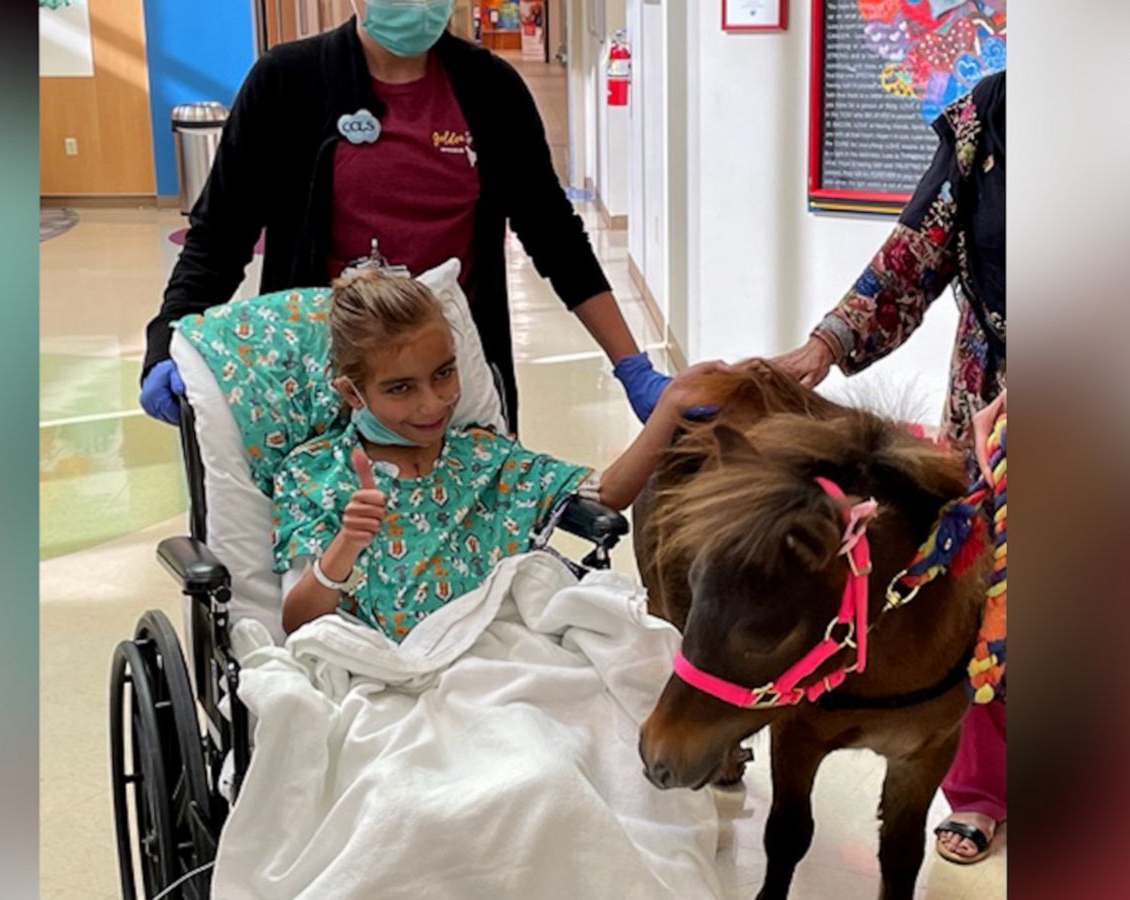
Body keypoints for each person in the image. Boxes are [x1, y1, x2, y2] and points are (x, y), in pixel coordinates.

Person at [138, 0, 672, 431]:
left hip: (452, 386)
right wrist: (167, 341)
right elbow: (218, 239)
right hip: (324, 381)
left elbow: (557, 238)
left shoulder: (490, 90)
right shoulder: (287, 83)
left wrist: (632, 367)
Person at [774, 72, 1006, 865]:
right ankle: (979, 790)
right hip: (992, 405)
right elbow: (914, 253)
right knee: (981, 591)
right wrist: (827, 343)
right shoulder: (989, 116)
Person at [272, 270, 724, 640]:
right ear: (353, 392)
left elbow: (606, 492)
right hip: (382, 684)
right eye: (400, 388)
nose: (432, 403)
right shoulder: (313, 475)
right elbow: (298, 622)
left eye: (444, 374)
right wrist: (345, 546)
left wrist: (671, 405)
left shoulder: (486, 458)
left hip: (497, 664)